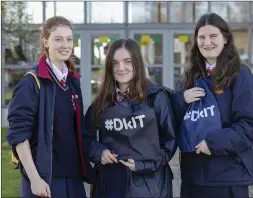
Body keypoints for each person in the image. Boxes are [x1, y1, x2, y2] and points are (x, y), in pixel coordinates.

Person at [6, 16, 94, 198]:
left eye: (69, 39)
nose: (65, 45)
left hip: (74, 179)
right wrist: (35, 178)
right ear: (45, 42)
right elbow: (19, 136)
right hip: (46, 181)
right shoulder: (31, 83)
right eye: (58, 39)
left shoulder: (72, 82)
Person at [83, 38, 176, 198]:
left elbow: (170, 142)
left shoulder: (155, 97)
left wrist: (142, 165)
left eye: (127, 61)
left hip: (149, 186)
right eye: (115, 63)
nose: (121, 68)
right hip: (111, 184)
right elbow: (86, 137)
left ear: (137, 63)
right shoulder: (102, 101)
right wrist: (99, 152)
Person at [173, 13, 253, 198]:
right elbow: (172, 121)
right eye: (201, 37)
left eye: (213, 36)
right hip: (193, 177)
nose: (207, 42)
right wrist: (180, 99)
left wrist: (213, 144)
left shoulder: (240, 74)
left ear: (225, 38)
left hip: (228, 176)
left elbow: (248, 125)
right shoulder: (190, 76)